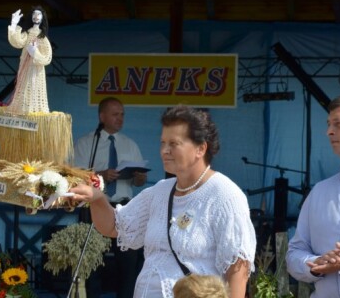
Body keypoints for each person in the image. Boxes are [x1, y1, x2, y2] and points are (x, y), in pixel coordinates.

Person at [70, 105, 256, 298]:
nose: (164, 151)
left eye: (173, 144)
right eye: (162, 143)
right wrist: (97, 198)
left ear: (201, 148)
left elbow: (238, 268)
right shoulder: (159, 191)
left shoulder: (225, 195)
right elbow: (114, 227)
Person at [74, 97, 147, 298]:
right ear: (102, 116)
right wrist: (101, 176)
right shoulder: (87, 143)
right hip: (95, 206)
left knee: (128, 262)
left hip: (124, 208)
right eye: (115, 114)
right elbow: (74, 176)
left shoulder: (130, 144)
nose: (120, 118)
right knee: (92, 262)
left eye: (122, 114)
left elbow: (140, 181)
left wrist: (140, 177)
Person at [286, 92, 340, 298]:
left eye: (338, 124)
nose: (329, 132)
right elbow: (294, 253)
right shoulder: (320, 192)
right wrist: (314, 265)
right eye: (328, 124)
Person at [7, 6, 52, 114]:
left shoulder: (42, 38)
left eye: (39, 14)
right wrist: (13, 24)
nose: (36, 16)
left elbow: (47, 58)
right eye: (34, 14)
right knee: (23, 86)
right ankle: (20, 109)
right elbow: (17, 42)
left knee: (34, 87)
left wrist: (34, 53)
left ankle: (33, 110)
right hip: (25, 68)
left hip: (36, 70)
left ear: (42, 18)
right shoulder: (27, 33)